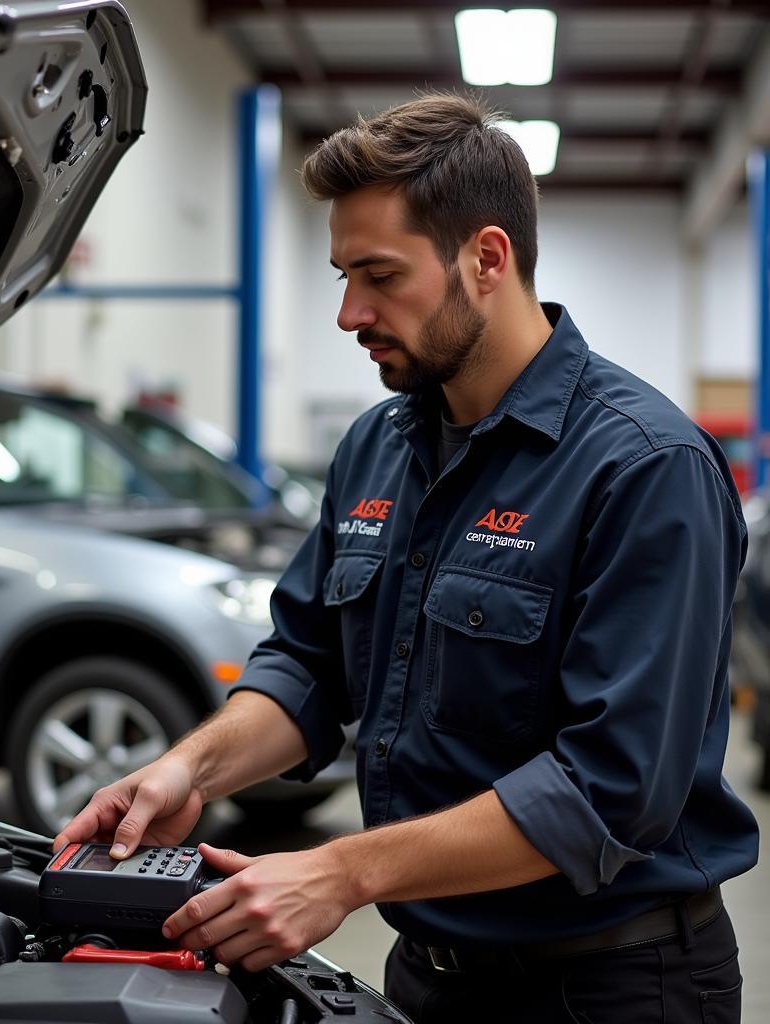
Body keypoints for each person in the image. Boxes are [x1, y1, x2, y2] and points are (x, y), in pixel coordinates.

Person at [55, 94, 759, 1022]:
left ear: (488, 258)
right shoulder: (377, 446)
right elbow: (307, 666)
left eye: (380, 276)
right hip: (430, 975)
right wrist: (192, 767)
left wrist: (340, 872)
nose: (351, 312)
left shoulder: (644, 468)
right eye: (345, 274)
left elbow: (609, 792)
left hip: (610, 988)